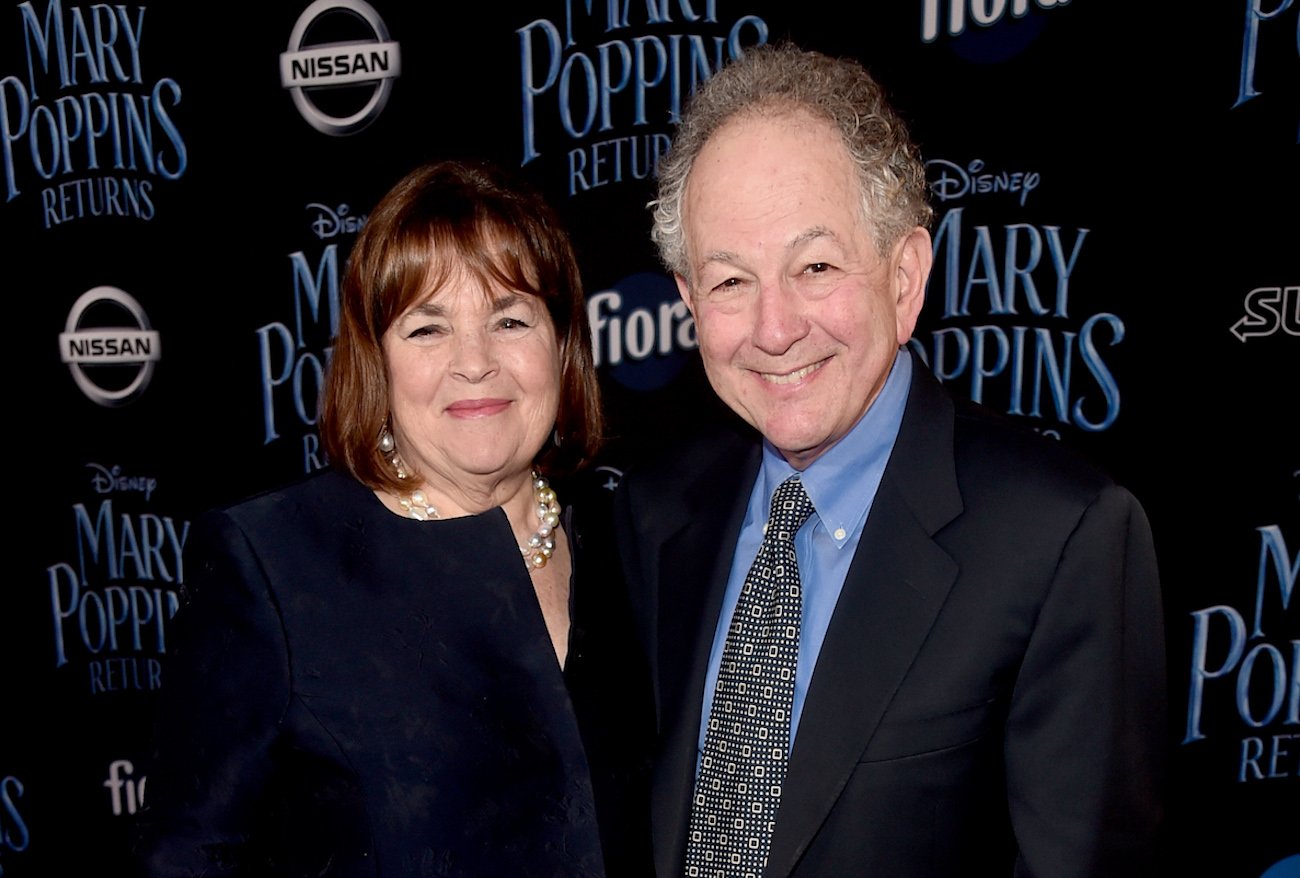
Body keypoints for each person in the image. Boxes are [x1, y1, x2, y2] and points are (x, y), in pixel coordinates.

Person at [613, 43, 1166, 878]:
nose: (773, 328)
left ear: (905, 278)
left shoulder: (1060, 539)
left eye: (816, 266)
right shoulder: (655, 517)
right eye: (730, 281)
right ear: (689, 303)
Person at [135, 159, 652, 877]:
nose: (475, 363)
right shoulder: (276, 563)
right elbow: (187, 860)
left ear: (562, 345)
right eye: (426, 329)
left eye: (510, 319)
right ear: (375, 360)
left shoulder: (634, 544)